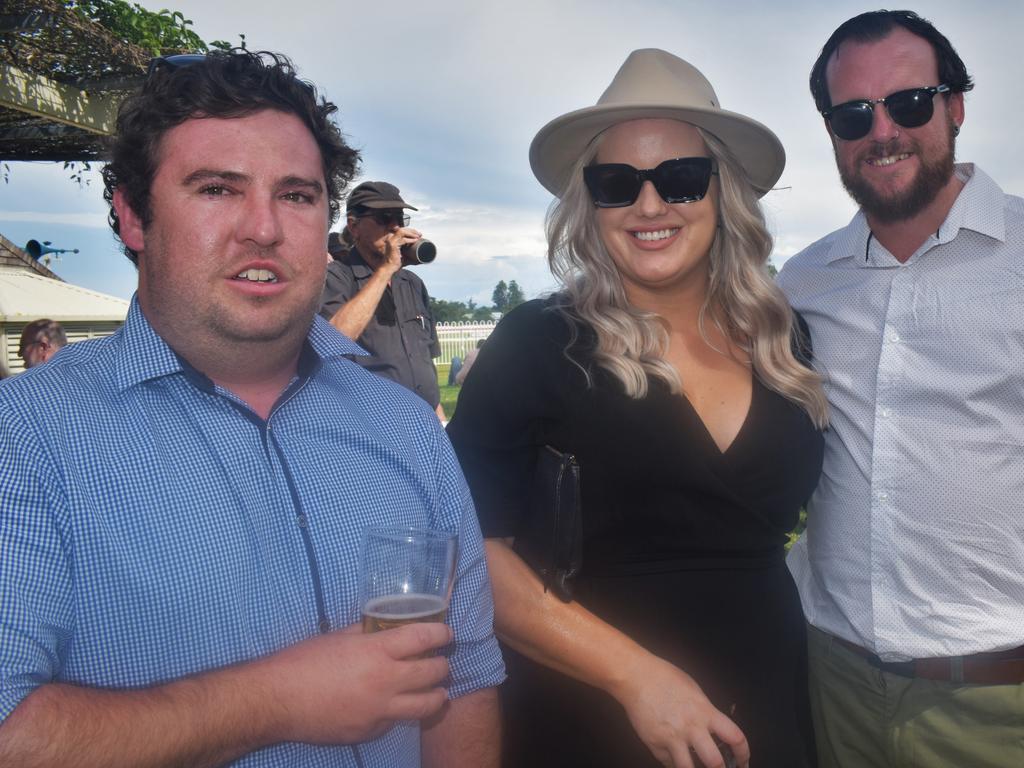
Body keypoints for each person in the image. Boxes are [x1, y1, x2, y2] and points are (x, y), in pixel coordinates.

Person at [0, 50, 503, 768]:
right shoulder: (21, 438)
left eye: (296, 195)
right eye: (217, 189)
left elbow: (467, 681)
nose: (263, 228)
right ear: (133, 216)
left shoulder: (405, 430)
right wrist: (273, 701)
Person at [447, 48, 828, 768]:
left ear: (724, 192)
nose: (649, 206)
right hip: (589, 713)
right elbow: (471, 551)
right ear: (590, 204)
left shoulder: (787, 340)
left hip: (766, 698)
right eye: (617, 183)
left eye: (681, 179)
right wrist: (634, 676)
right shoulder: (538, 343)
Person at [778, 10, 1024, 768]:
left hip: (999, 701)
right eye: (853, 114)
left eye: (909, 103)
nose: (882, 130)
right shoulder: (804, 282)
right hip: (835, 683)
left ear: (954, 106)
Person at [319, 182, 446, 421]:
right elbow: (333, 341)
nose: (395, 227)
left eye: (400, 218)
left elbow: (425, 360)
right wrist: (386, 270)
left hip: (425, 421)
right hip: (370, 425)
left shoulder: (413, 284)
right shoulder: (336, 277)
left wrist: (439, 417)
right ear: (353, 226)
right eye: (384, 218)